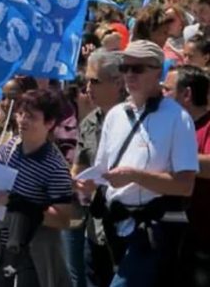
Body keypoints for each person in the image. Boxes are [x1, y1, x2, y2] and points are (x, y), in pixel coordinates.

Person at [79, 40, 197, 285]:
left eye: (138, 68)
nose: (130, 74)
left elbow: (185, 185)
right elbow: (103, 171)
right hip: (113, 225)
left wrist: (134, 176)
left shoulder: (178, 118)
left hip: (154, 229)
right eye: (125, 67)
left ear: (158, 72)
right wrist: (87, 183)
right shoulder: (115, 115)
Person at [0, 89, 75, 287]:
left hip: (33, 254)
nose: (22, 120)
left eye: (31, 117)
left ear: (49, 123)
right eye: (20, 114)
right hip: (4, 248)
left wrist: (18, 203)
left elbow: (62, 219)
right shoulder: (13, 146)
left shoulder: (55, 166)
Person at [73, 49, 127, 287]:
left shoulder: (137, 119)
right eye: (86, 81)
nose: (88, 88)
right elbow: (78, 169)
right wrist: (78, 183)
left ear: (118, 82)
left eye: (94, 81)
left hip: (128, 226)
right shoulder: (89, 123)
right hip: (96, 227)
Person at [163, 65, 210, 286]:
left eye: (167, 89)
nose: (161, 94)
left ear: (187, 94)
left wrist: (172, 158)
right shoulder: (174, 125)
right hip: (176, 235)